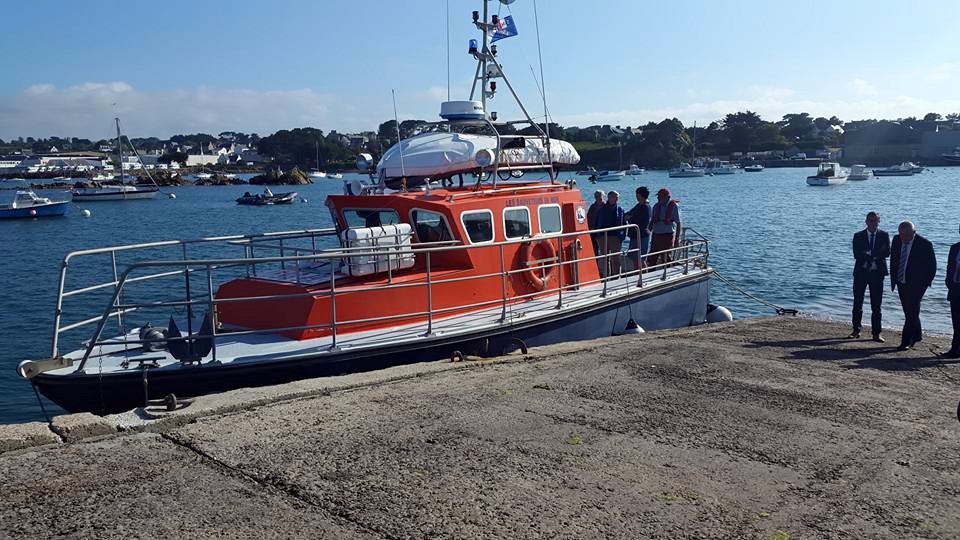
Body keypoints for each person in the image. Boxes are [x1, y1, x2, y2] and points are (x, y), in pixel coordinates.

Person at [890, 220, 937, 351]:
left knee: (912, 312)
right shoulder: (896, 240)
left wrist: (925, 284)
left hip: (917, 284)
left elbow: (932, 267)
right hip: (901, 281)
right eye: (901, 235)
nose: (903, 238)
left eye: (905, 236)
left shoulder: (925, 244)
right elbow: (894, 259)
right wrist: (894, 278)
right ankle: (917, 335)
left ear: (913, 233)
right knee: (909, 310)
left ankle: (906, 341)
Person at [849, 211, 891, 342]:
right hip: (861, 272)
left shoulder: (884, 235)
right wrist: (873, 254)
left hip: (877, 273)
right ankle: (856, 329)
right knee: (857, 302)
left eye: (875, 221)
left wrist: (869, 253)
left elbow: (887, 253)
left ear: (878, 222)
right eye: (870, 221)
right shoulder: (858, 236)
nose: (873, 223)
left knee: (876, 304)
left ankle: (876, 333)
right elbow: (857, 254)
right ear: (866, 221)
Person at [648, 188, 682, 267]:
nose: (658, 198)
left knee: (666, 256)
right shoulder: (656, 206)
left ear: (667, 197)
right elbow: (652, 221)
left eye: (660, 197)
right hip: (656, 235)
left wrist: (677, 238)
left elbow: (678, 223)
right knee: (652, 256)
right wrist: (647, 233)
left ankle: (667, 273)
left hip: (667, 235)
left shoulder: (674, 206)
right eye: (658, 197)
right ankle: (650, 272)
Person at [595, 190, 626, 277]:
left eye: (617, 198)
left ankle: (616, 277)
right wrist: (598, 236)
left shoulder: (620, 210)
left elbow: (624, 223)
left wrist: (622, 236)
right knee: (605, 258)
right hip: (603, 236)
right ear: (609, 198)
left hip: (615, 237)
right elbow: (597, 222)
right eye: (615, 197)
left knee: (616, 258)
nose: (616, 199)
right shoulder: (602, 209)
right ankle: (606, 277)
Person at [625, 186, 651, 269]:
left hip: (641, 235)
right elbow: (629, 213)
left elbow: (636, 218)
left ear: (641, 195)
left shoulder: (645, 207)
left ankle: (642, 276)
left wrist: (629, 217)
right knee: (634, 258)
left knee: (640, 259)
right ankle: (636, 274)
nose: (636, 196)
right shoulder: (639, 205)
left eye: (637, 195)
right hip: (635, 235)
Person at [945, 225, 960, 358]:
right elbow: (950, 266)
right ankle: (955, 348)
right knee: (956, 321)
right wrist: (948, 282)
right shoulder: (955, 248)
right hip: (955, 288)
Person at [587, 190, 605, 268]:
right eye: (597, 196)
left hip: (603, 233)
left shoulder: (606, 206)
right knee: (594, 251)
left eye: (600, 196)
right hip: (593, 232)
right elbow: (588, 218)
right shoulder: (592, 207)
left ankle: (607, 272)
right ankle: (596, 268)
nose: (598, 198)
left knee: (605, 253)